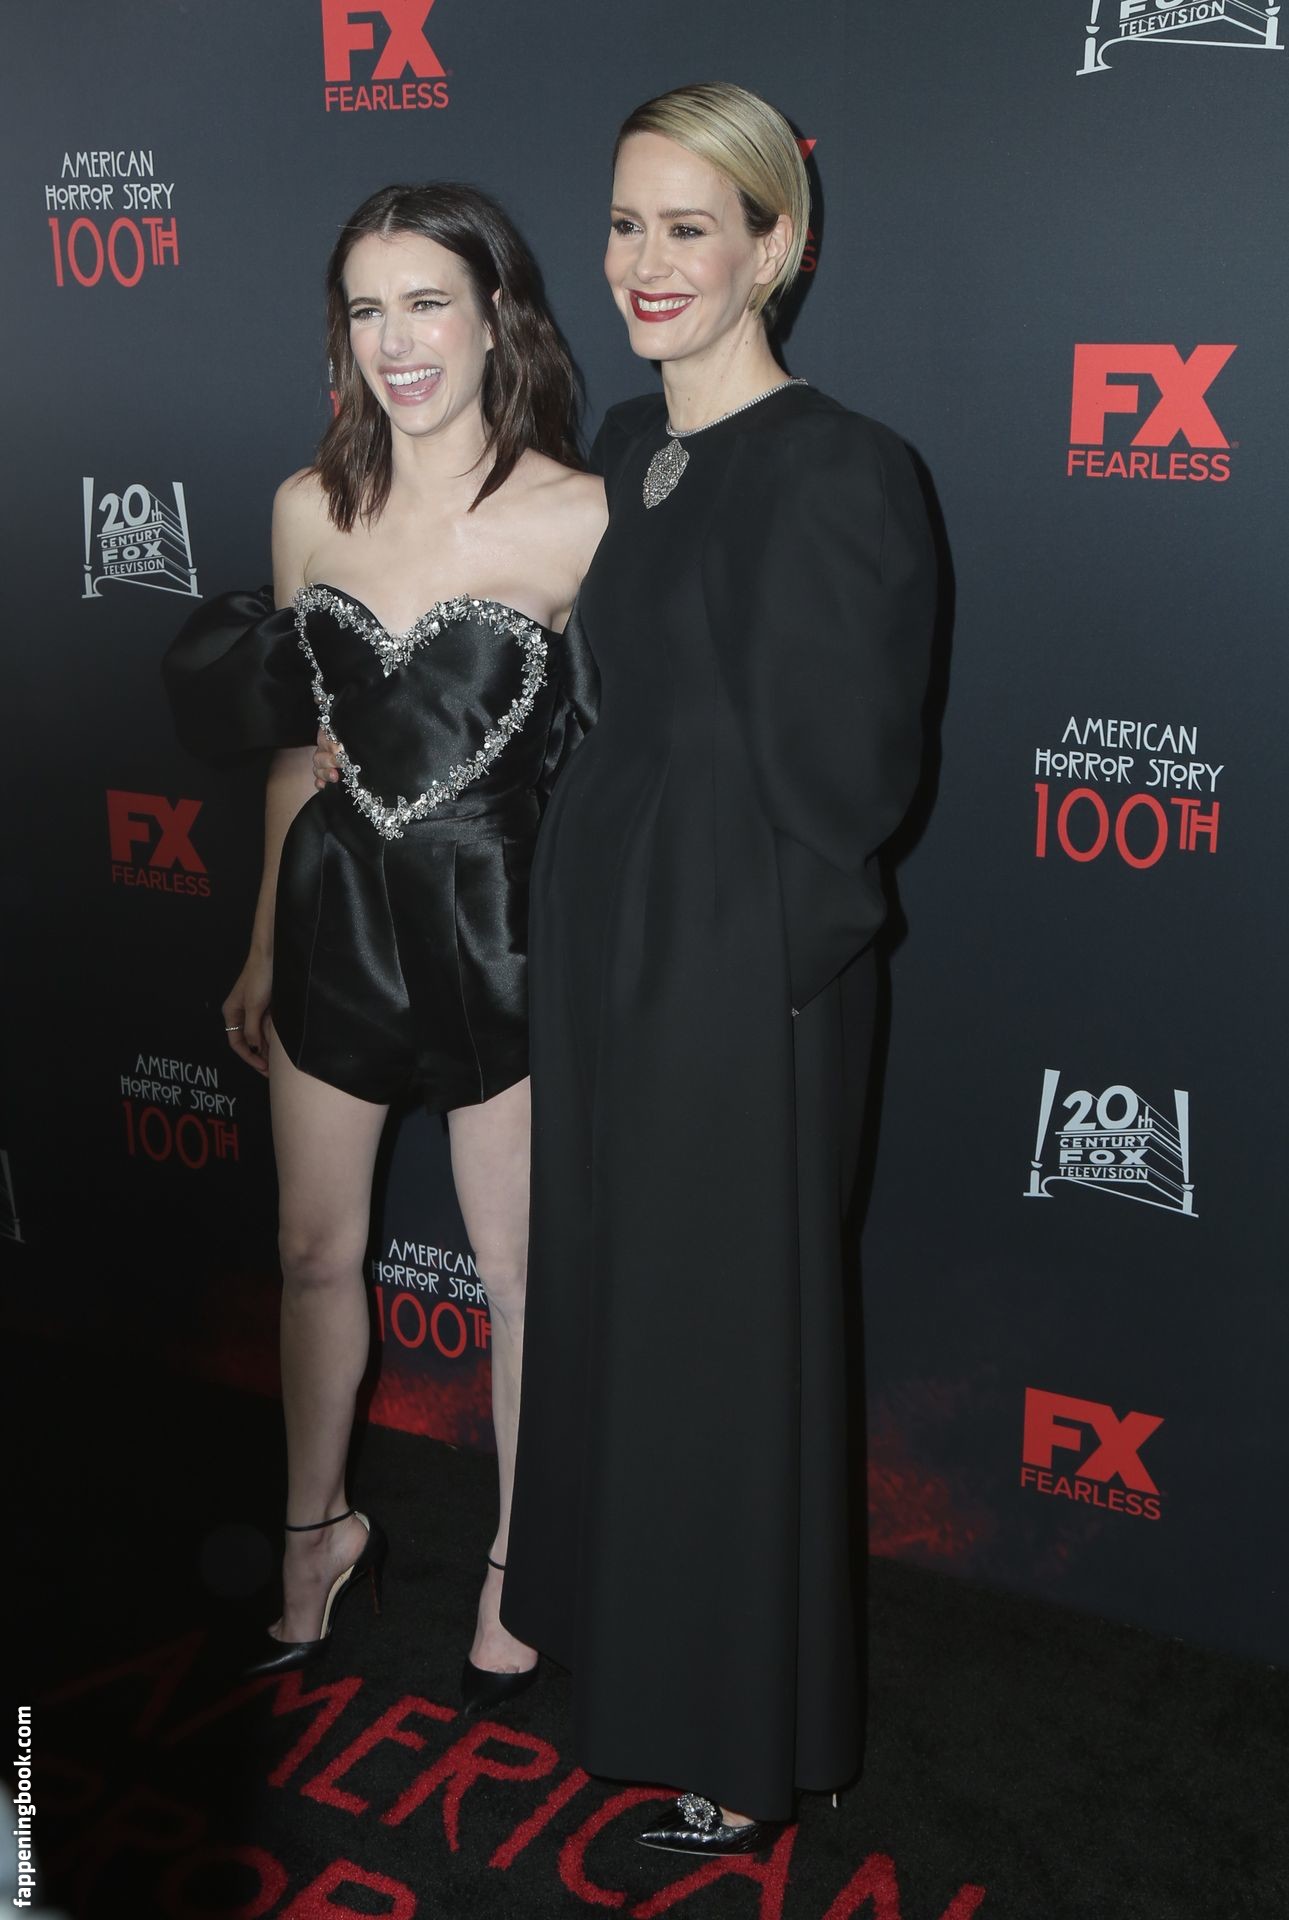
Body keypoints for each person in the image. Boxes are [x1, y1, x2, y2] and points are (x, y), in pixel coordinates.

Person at [498, 84, 938, 1850]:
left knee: (725, 1339)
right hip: (609, 928)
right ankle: (632, 1660)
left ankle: (739, 1744)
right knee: (626, 1308)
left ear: (777, 247)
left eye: (690, 226)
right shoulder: (622, 444)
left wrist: (763, 983)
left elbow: (850, 783)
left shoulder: (841, 465)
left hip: (741, 960)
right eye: (625, 224)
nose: (645, 261)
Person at [163, 183, 604, 1705]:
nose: (398, 341)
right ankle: (314, 1539)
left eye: (428, 303)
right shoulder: (309, 508)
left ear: (498, 317)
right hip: (333, 912)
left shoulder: (579, 516)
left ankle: (518, 1565)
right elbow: (298, 754)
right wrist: (259, 945)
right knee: (310, 1253)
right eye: (368, 308)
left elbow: (617, 767)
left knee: (519, 1275)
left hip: (503, 931)